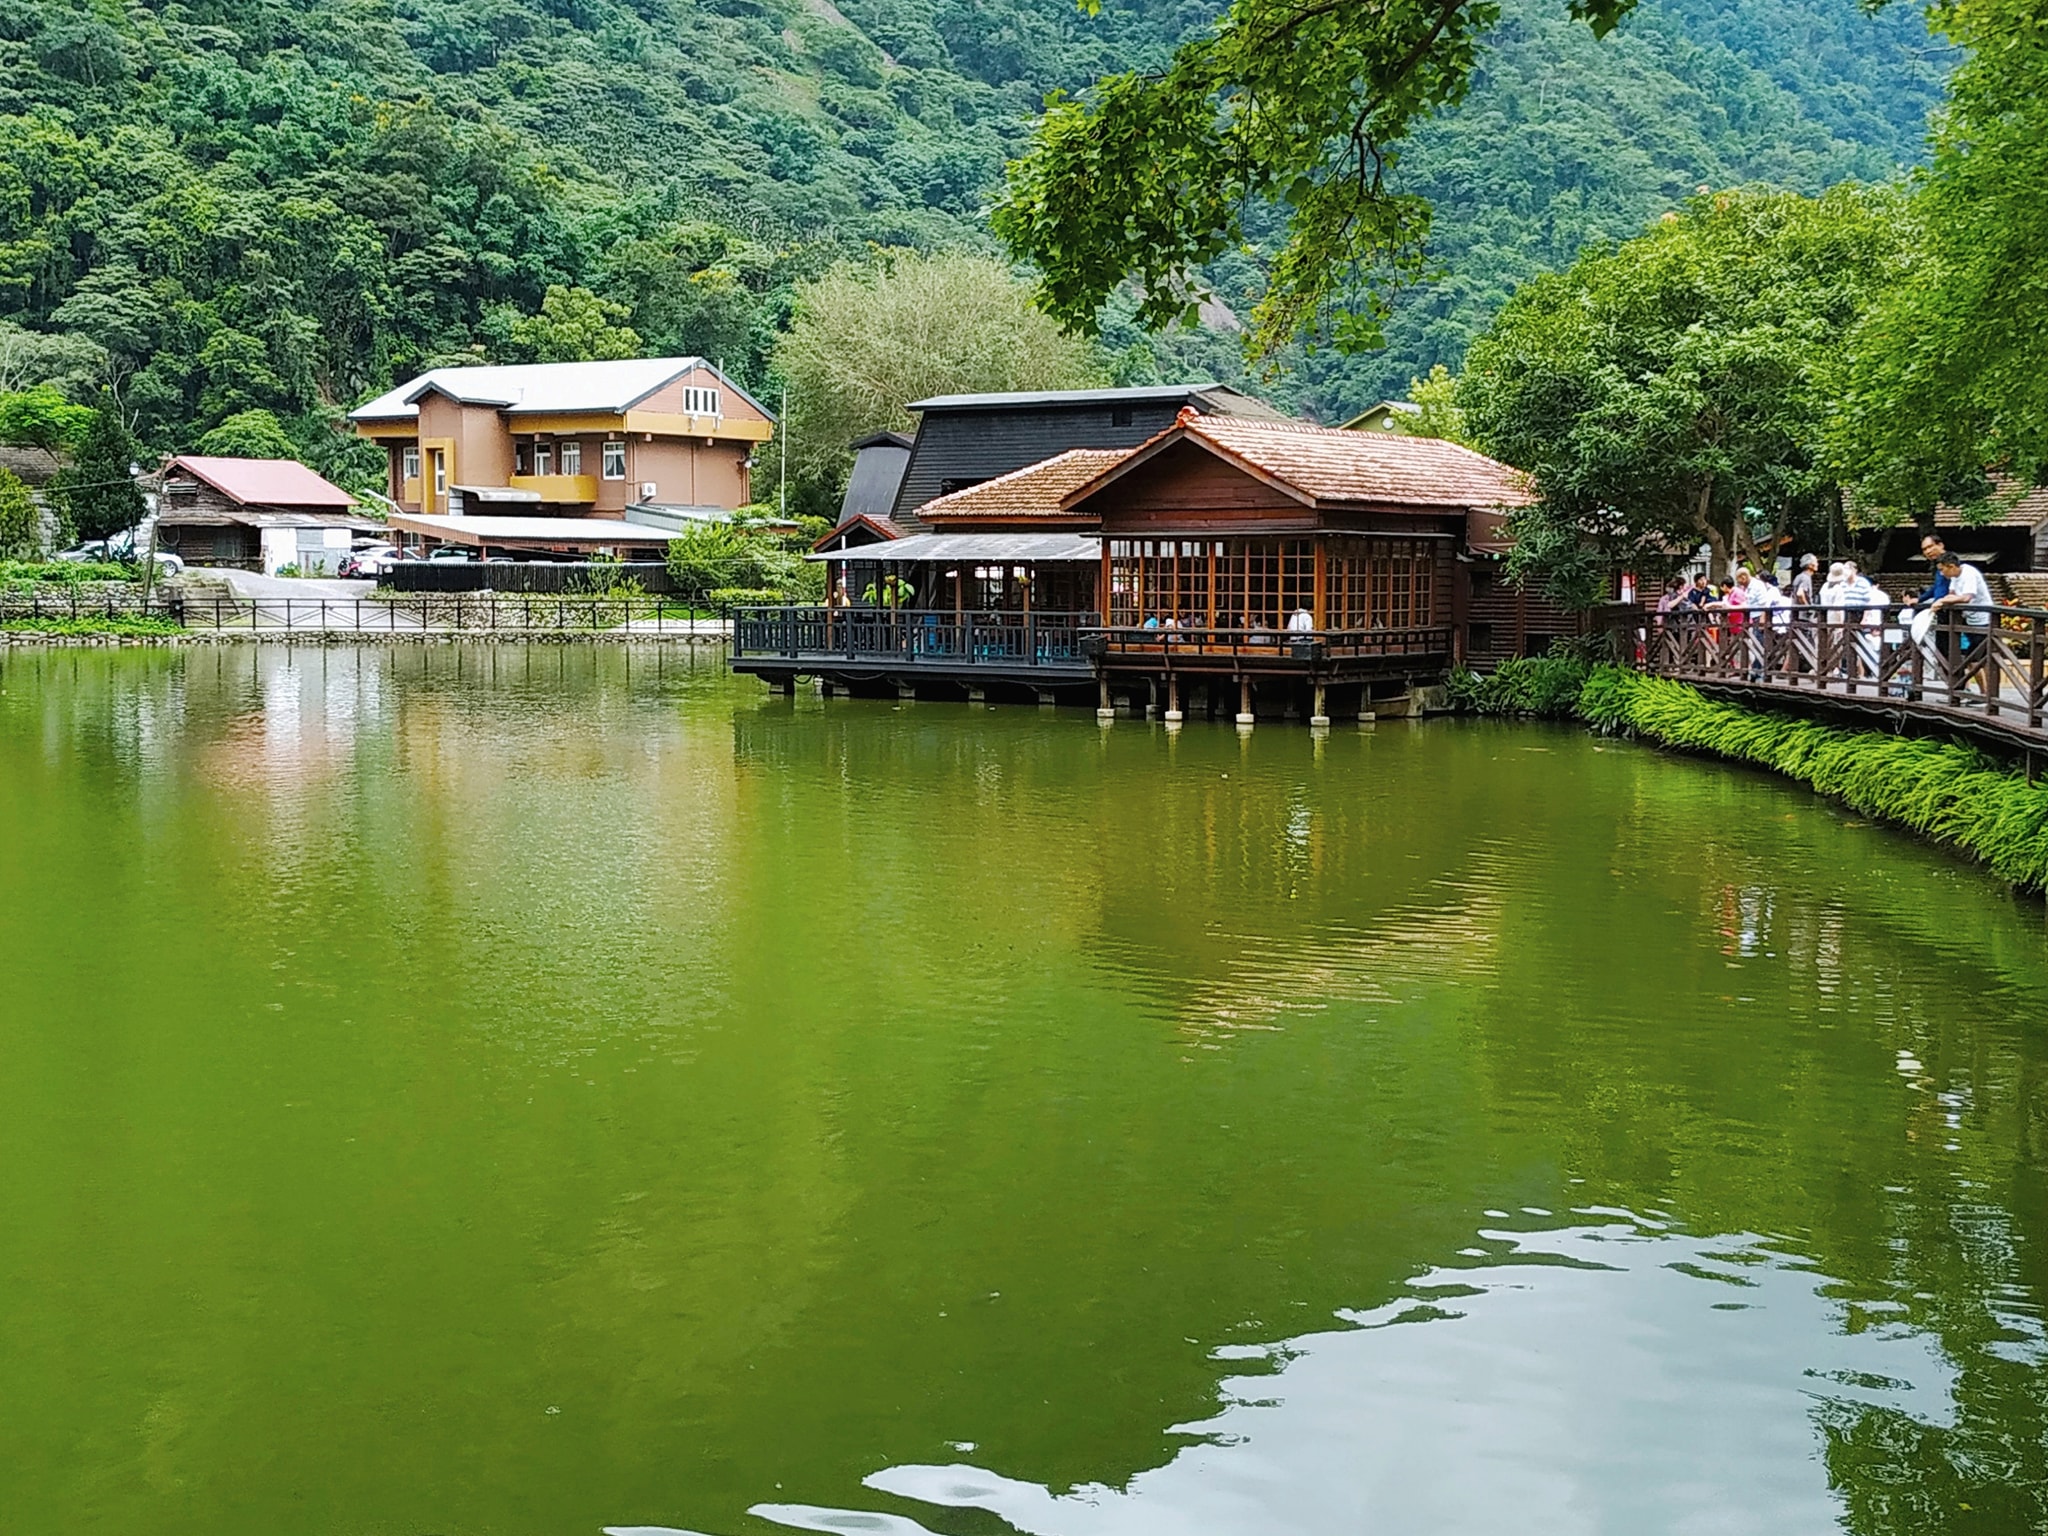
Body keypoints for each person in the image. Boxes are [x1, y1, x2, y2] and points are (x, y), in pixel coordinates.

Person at [1930, 551, 1995, 694]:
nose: (1941, 573)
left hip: (1982, 620)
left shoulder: (1969, 574)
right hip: (1967, 619)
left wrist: (1941, 601)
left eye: (1942, 569)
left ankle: (1986, 695)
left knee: (1974, 659)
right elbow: (1952, 594)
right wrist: (1940, 602)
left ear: (1951, 566)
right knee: (1967, 657)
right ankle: (1972, 691)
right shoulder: (1955, 576)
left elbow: (1966, 597)